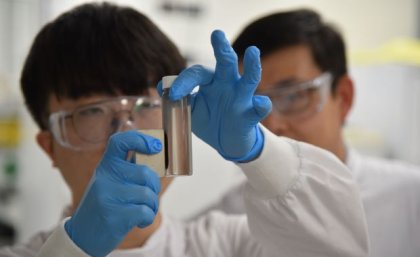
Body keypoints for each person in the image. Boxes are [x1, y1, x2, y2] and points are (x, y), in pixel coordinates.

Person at [0, 3, 369, 257]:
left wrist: (259, 151)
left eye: (145, 106)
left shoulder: (233, 243)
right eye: (92, 112)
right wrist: (76, 248)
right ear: (49, 147)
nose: (124, 133)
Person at [201, 9, 420, 257]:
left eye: (294, 95)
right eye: (250, 102)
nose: (272, 124)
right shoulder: (224, 219)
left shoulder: (411, 198)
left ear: (344, 97)